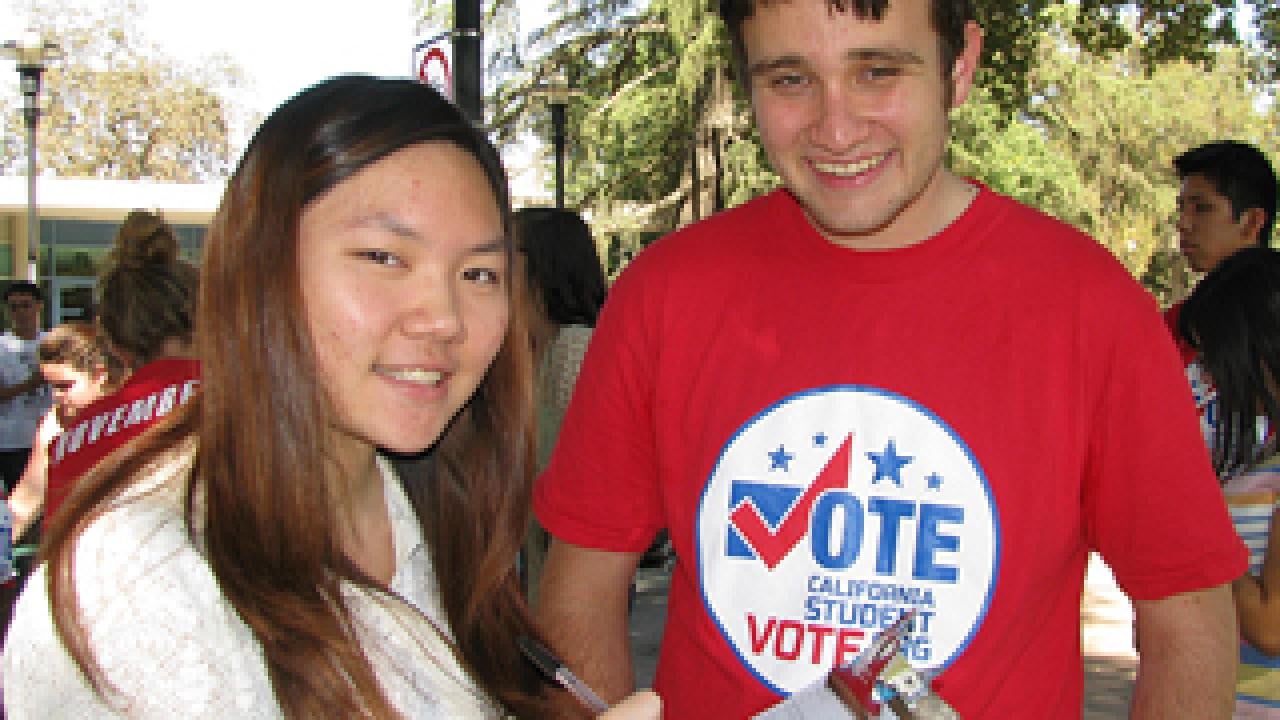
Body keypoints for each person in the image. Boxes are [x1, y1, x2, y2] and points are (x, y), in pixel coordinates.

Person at [532, 0, 1248, 717]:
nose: (836, 129)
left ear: (959, 66)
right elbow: (580, 590)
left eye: (877, 71)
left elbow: (1188, 622)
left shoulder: (1091, 306)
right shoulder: (664, 294)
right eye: (789, 80)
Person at [1, 75, 657, 720]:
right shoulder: (147, 579)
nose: (444, 317)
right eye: (383, 258)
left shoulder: (435, 508)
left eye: (480, 273)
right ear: (262, 272)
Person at [38, 209, 201, 523]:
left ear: (112, 343)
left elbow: (60, 558)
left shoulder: (71, 442)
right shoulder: (246, 408)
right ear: (202, 317)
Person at [1178, 246, 1280, 716]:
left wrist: (1202, 532)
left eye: (1215, 354)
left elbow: (1270, 625)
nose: (1210, 375)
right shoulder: (1258, 463)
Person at [0, 322, 123, 645]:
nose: (56, 397)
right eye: (50, 387)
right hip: (65, 571)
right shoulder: (54, 424)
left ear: (100, 375)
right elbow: (27, 499)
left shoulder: (130, 421)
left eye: (65, 386)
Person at [1166, 141, 1279, 362]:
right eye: (1181, 209)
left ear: (1251, 222)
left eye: (1202, 208)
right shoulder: (1179, 321)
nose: (1183, 223)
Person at [0, 282, 51, 494]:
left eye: (25, 305)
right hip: (13, 441)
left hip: (50, 436)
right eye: (14, 307)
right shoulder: (2, 346)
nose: (20, 312)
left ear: (38, 306)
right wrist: (31, 383)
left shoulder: (52, 342)